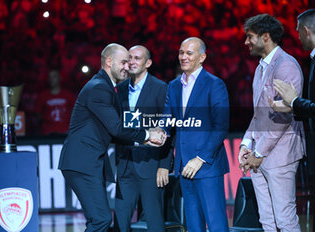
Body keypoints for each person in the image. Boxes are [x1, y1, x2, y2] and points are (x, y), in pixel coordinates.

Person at [58, 43, 166, 232]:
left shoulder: (105, 86)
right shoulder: (100, 88)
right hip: (82, 163)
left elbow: (113, 131)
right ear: (109, 62)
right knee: (101, 219)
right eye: (124, 62)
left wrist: (146, 139)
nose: (128, 66)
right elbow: (116, 128)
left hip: (86, 163)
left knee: (97, 219)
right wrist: (148, 134)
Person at [239, 14, 306, 232]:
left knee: (284, 219)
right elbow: (259, 114)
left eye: (250, 37)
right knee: (267, 220)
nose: (246, 42)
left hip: (280, 154)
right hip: (260, 154)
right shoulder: (261, 67)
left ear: (265, 37)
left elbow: (282, 117)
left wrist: (258, 153)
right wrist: (246, 144)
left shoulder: (285, 65)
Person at [270, 9, 315, 232]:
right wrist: (292, 106)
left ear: (306, 31)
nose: (297, 36)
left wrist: (294, 101)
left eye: (297, 31)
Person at [162, 37, 230, 232]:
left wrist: (200, 158)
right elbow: (167, 119)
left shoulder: (214, 85)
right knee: (193, 225)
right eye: (181, 52)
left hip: (207, 166)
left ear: (202, 57)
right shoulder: (174, 86)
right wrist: (158, 133)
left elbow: (220, 127)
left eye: (189, 53)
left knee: (216, 222)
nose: (183, 57)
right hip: (184, 166)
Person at [114, 45, 172, 232]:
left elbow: (168, 128)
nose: (132, 61)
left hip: (150, 164)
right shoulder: (120, 88)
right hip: (125, 163)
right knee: (121, 220)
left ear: (148, 63)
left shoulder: (160, 88)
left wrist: (164, 164)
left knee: (154, 220)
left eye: (137, 58)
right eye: (129, 57)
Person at [35, 70, 76, 135]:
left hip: (66, 132)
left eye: (54, 76)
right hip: (47, 133)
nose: (52, 79)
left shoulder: (69, 95)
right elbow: (38, 115)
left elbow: (75, 113)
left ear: (60, 78)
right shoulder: (42, 96)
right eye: (50, 77)